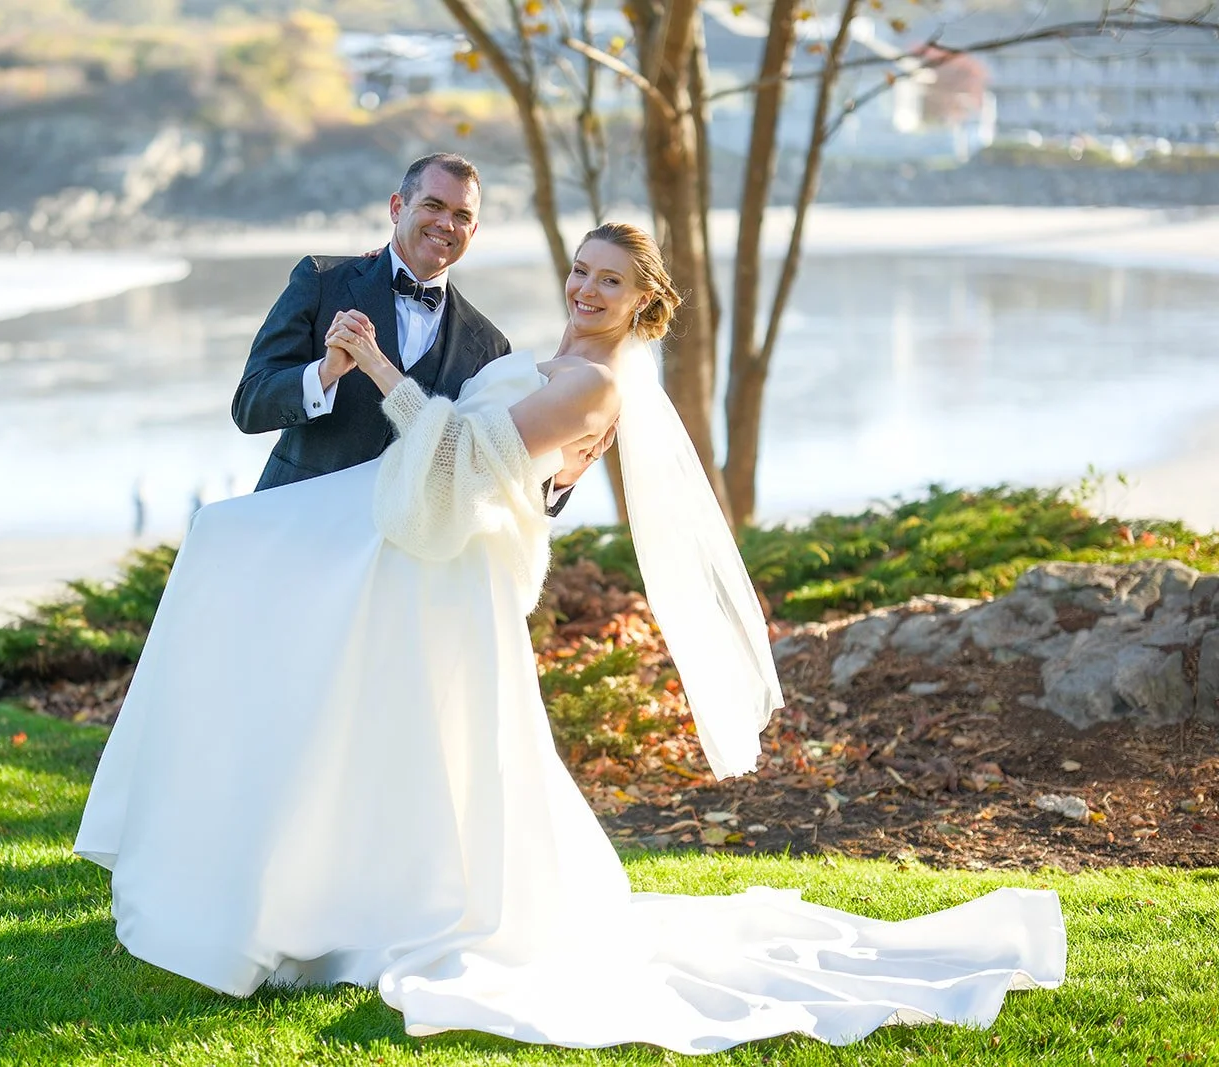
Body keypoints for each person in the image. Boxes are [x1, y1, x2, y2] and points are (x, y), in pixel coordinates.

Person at [75, 223, 1066, 1055]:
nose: (586, 288)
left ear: (643, 302)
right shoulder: (541, 357)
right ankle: (311, 889)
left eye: (611, 280)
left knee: (422, 733)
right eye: (582, 270)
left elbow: (467, 457)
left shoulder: (595, 386)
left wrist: (375, 364)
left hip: (451, 576)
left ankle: (383, 906)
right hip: (423, 561)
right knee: (293, 632)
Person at [230, 151, 596, 509]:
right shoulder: (321, 281)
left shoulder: (489, 344)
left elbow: (490, 460)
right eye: (433, 205)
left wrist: (564, 477)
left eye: (461, 215)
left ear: (474, 230)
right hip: (295, 521)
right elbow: (249, 406)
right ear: (396, 208)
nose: (446, 224)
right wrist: (325, 374)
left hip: (404, 558)